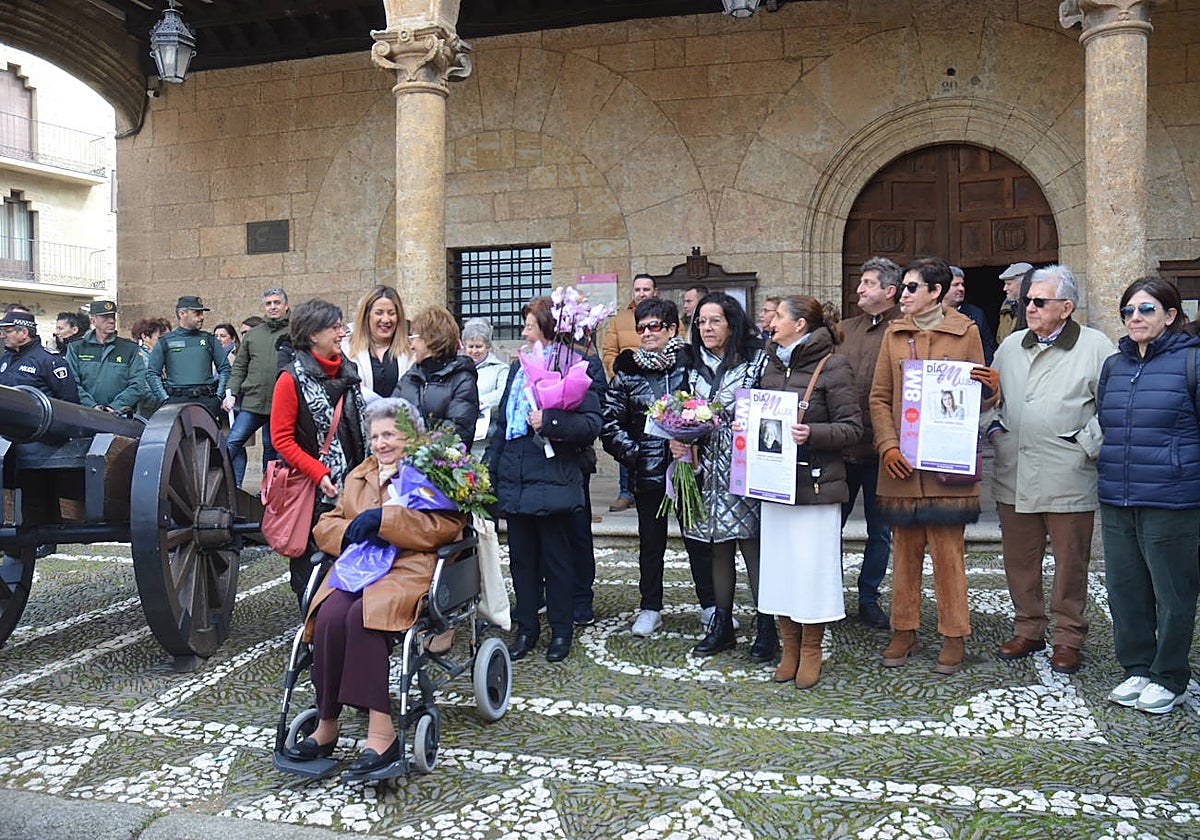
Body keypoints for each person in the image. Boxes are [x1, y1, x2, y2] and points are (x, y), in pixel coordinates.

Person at [283, 398, 465, 773]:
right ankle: (326, 723)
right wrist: (351, 531)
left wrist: (385, 522)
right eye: (376, 436)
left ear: (411, 436)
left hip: (408, 567)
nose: (381, 443)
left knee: (364, 617)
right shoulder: (360, 475)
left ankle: (382, 732)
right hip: (360, 567)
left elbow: (445, 527)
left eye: (391, 435)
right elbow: (326, 524)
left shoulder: (431, 473)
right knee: (329, 615)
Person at [869, 257, 999, 676]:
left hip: (946, 467)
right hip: (902, 467)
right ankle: (904, 629)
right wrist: (888, 446)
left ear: (935, 292)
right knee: (904, 554)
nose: (903, 294)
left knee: (948, 555)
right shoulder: (893, 333)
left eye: (911, 287)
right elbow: (879, 396)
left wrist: (992, 391)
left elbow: (976, 398)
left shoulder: (966, 332)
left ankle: (954, 633)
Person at [988, 264, 1114, 675]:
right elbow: (991, 397)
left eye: (1040, 301)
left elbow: (1114, 406)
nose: (1030, 307)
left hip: (1067, 472)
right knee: (1019, 559)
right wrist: (993, 428)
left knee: (1070, 562)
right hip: (1015, 470)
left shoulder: (1096, 347)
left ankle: (1068, 636)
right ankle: (1028, 628)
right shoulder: (1010, 346)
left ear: (1066, 307)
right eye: (1028, 300)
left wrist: (1085, 445)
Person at [1096, 276, 1200, 714]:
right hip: (1118, 495)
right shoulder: (1114, 366)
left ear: (1171, 315)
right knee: (1125, 587)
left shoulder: (1192, 361)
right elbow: (1106, 420)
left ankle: (1170, 676)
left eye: (1146, 309)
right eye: (1128, 311)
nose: (1134, 318)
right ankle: (1137, 667)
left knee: (1173, 592)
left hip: (1172, 497)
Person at [487, 297, 602, 664]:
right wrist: (493, 470)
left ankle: (561, 630)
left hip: (553, 476)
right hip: (517, 473)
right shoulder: (517, 368)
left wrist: (550, 421)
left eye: (530, 326)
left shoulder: (573, 365)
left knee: (557, 559)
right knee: (521, 559)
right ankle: (526, 629)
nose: (524, 333)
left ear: (549, 328)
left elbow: (591, 424)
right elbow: (502, 425)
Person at [758, 295, 862, 688]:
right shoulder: (770, 363)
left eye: (779, 316)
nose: (771, 322)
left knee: (811, 571)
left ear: (800, 324)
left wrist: (812, 433)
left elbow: (853, 428)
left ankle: (812, 648)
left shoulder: (833, 366)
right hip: (776, 485)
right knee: (780, 570)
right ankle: (789, 646)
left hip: (816, 486)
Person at [671, 292, 769, 658]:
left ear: (732, 323)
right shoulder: (691, 365)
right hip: (705, 469)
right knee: (717, 546)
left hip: (744, 466)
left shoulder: (756, 362)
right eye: (701, 322)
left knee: (751, 545)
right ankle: (722, 624)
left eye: (715, 321)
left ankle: (766, 627)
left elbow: (770, 411)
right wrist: (679, 438)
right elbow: (681, 409)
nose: (707, 328)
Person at [600, 297, 688, 637]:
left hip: (687, 469)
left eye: (653, 326)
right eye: (641, 328)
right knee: (651, 545)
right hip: (648, 471)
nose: (646, 333)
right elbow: (611, 424)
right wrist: (638, 455)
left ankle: (711, 605)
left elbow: (705, 409)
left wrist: (693, 446)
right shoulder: (627, 371)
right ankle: (650, 607)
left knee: (699, 542)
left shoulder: (689, 365)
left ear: (671, 329)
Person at [271, 299, 368, 600]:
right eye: (334, 328)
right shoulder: (290, 379)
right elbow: (281, 439)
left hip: (355, 484)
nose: (342, 333)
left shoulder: (348, 371)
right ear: (313, 335)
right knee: (314, 569)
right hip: (315, 492)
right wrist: (319, 473)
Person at [837, 256, 902, 630]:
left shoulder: (905, 330)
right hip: (842, 449)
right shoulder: (844, 330)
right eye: (860, 282)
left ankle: (868, 597)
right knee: (831, 526)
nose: (859, 289)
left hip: (883, 450)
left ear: (889, 291)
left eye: (868, 283)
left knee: (880, 531)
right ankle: (828, 592)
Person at [602, 273, 658, 512]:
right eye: (638, 289)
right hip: (629, 389)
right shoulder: (620, 320)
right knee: (626, 439)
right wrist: (620, 379)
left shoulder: (666, 316)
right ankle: (626, 491)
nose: (642, 293)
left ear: (654, 291)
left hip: (657, 387)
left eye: (646, 289)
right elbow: (609, 352)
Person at [224, 288, 291, 487]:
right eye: (268, 303)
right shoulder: (253, 335)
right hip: (253, 401)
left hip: (282, 403)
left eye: (277, 302)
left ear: (286, 305)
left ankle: (268, 491)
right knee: (232, 441)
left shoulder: (296, 331)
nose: (273, 307)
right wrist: (231, 393)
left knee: (271, 448)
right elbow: (239, 367)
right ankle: (220, 486)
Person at [395, 306, 479, 446]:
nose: (411, 346)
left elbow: (457, 431)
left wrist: (416, 447)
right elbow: (390, 417)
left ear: (431, 338)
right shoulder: (410, 377)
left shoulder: (462, 379)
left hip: (439, 459)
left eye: (413, 338)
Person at [145, 295, 231, 419]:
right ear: (182, 314)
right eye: (197, 313)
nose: (202, 317)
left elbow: (225, 369)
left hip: (206, 401)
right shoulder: (166, 341)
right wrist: (165, 399)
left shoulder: (209, 340)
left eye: (202, 313)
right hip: (176, 402)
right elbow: (152, 373)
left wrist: (218, 397)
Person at [65, 300, 144, 415]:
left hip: (120, 416)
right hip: (85, 415)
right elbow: (71, 382)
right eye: (105, 317)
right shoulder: (77, 347)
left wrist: (115, 407)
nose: (111, 321)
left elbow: (138, 384)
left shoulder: (129, 348)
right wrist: (91, 406)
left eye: (113, 317)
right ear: (93, 321)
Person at [343, 285, 411, 402]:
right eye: (379, 313)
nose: (385, 320)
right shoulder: (346, 349)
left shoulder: (411, 350)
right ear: (366, 315)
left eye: (391, 313)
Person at [0, 308, 79, 402]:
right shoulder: (6, 357)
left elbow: (69, 400)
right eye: (2, 331)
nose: (2, 336)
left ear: (24, 332)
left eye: (8, 331)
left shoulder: (50, 361)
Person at [461, 317, 508, 452]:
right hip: (461, 438)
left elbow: (501, 395)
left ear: (487, 346)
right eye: (471, 347)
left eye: (479, 346)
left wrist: (473, 404)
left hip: (487, 439)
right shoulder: (458, 369)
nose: (474, 351)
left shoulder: (500, 369)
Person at [944, 266, 998, 364]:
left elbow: (987, 346)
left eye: (962, 284)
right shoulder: (929, 313)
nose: (961, 289)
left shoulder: (976, 313)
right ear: (942, 287)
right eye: (956, 285)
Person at [130, 316, 171, 417]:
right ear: (145, 337)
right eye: (159, 338)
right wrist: (166, 401)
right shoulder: (142, 358)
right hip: (149, 413)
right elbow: (146, 391)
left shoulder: (156, 356)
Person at [996, 262, 1032, 345]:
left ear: (1023, 284)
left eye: (1009, 284)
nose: (1005, 288)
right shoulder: (1006, 305)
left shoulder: (1036, 306)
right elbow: (1000, 337)